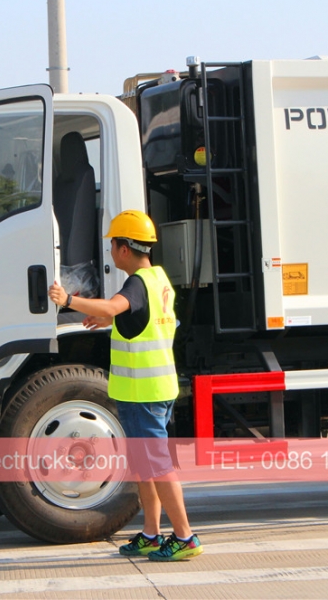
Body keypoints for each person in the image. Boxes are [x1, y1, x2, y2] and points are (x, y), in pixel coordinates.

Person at [48, 210, 202, 562]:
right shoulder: (158, 279)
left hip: (145, 394)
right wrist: (109, 317)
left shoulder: (135, 284)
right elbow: (139, 316)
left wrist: (68, 300)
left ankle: (185, 536)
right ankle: (151, 533)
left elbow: (115, 304)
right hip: (148, 391)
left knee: (158, 466)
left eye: (113, 245)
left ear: (123, 249)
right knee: (144, 466)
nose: (112, 252)